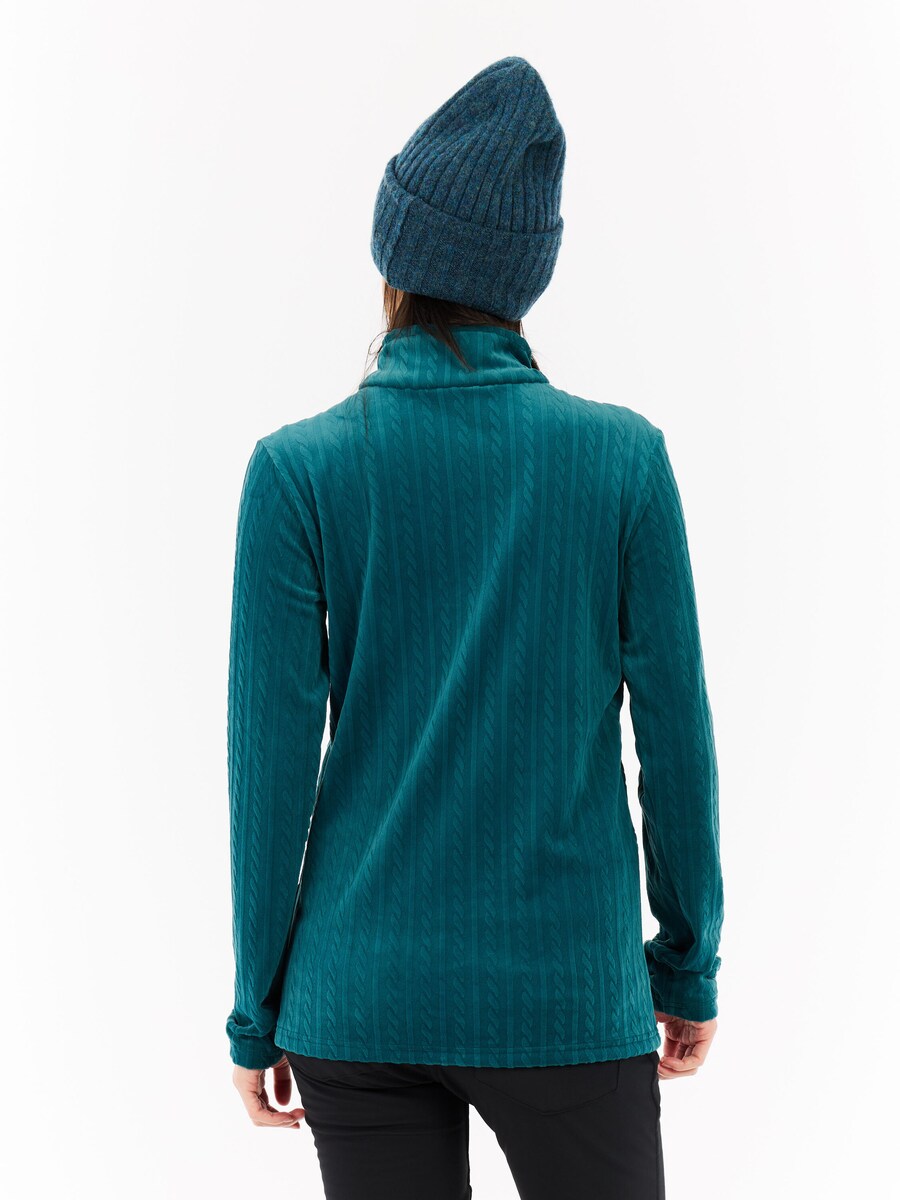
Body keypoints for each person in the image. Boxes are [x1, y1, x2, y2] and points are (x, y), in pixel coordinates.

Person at [225, 55, 724, 1200]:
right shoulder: (622, 461)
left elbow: (269, 779)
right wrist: (686, 963)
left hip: (359, 997)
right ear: (528, 271)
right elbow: (677, 743)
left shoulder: (296, 473)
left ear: (393, 252)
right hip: (565, 995)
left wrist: (259, 1008)